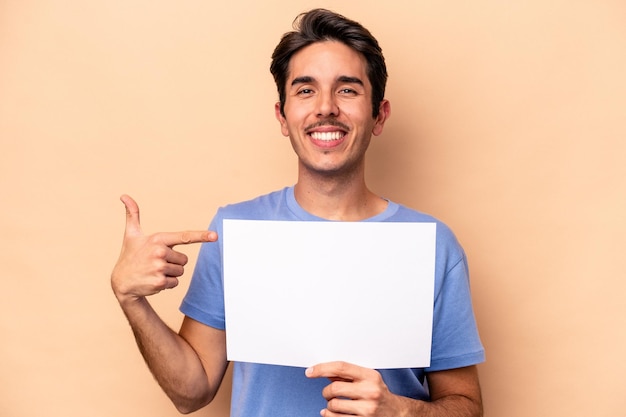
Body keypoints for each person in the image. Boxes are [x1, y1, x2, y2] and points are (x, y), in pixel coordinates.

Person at [111, 8, 485, 417]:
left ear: (379, 115)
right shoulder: (236, 232)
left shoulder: (433, 245)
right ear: (283, 116)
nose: (325, 108)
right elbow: (192, 390)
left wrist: (400, 411)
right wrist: (132, 300)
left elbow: (466, 406)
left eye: (347, 90)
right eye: (306, 90)